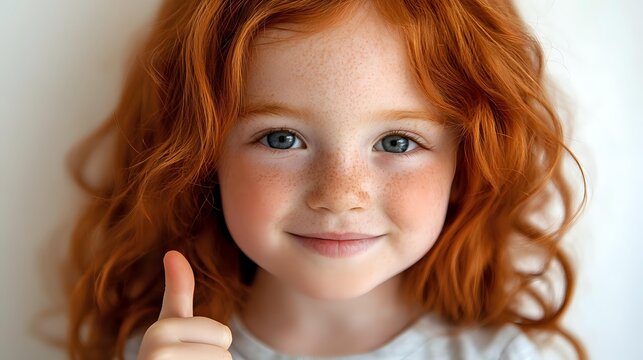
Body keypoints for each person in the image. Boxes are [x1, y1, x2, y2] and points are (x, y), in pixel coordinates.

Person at [64, 0, 587, 359]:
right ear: (203, 155)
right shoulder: (159, 351)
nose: (340, 195)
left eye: (397, 142)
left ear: (467, 162)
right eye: (281, 139)